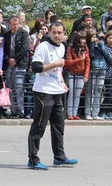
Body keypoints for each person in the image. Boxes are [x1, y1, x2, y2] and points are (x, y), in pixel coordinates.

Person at [27, 22, 78, 170]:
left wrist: (62, 82)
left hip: (57, 92)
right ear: (49, 32)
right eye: (54, 32)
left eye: (59, 33)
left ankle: (59, 157)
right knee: (39, 126)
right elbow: (35, 67)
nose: (57, 35)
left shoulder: (61, 47)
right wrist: (54, 64)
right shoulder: (43, 46)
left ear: (63, 34)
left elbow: (58, 70)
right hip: (43, 92)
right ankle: (33, 159)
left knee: (58, 126)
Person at [64, 33, 90, 120]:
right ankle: (69, 113)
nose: (84, 41)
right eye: (82, 39)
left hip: (81, 74)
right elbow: (68, 62)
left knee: (77, 94)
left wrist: (86, 75)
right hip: (72, 73)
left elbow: (87, 63)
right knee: (71, 93)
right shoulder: (70, 48)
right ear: (77, 40)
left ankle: (75, 113)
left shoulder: (85, 48)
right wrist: (79, 60)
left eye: (84, 39)